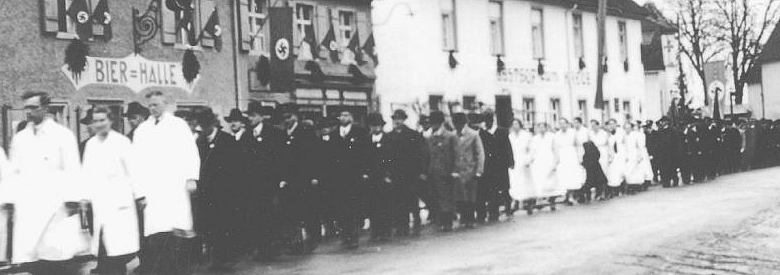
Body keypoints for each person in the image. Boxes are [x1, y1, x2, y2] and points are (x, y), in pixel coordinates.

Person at [2, 91, 86, 275]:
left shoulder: (62, 134)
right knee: (31, 259)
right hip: (28, 206)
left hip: (54, 206)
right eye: (26, 108)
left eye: (33, 107)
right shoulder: (20, 138)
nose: (28, 112)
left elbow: (73, 168)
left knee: (55, 258)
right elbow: (13, 173)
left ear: (46, 108)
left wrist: (72, 199)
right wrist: (10, 200)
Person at [132, 91, 200, 275]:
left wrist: (191, 178)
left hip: (174, 185)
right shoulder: (142, 130)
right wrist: (139, 193)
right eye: (150, 106)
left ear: (165, 103)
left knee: (177, 234)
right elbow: (136, 164)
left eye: (156, 104)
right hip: (152, 190)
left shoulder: (178, 126)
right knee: (157, 236)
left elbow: (190, 152)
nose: (153, 108)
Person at [81, 106, 139, 275]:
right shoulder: (91, 145)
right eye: (95, 121)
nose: (98, 124)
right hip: (98, 203)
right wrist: (84, 198)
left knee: (118, 251)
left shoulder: (122, 142)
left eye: (102, 120)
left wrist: (138, 195)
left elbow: (134, 171)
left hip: (119, 203)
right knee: (103, 248)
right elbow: (86, 172)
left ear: (111, 121)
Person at [194, 108, 241, 271]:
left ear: (212, 124)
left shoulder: (227, 140)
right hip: (206, 193)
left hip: (225, 192)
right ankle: (216, 258)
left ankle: (224, 258)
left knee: (224, 225)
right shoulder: (199, 142)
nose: (203, 129)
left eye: (205, 125)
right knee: (210, 226)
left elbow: (236, 167)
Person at [278, 107, 321, 253]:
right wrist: (283, 177)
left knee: (308, 210)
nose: (286, 119)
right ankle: (296, 243)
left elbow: (314, 154)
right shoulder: (283, 133)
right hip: (290, 180)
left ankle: (312, 240)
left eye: (289, 116)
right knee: (292, 212)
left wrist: (314, 175)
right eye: (284, 117)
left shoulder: (305, 131)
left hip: (305, 178)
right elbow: (282, 158)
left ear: (296, 116)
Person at [326, 110, 370, 248]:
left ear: (351, 117)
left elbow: (365, 153)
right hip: (339, 178)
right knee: (341, 207)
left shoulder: (360, 132)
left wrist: (364, 171)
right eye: (342, 115)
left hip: (354, 176)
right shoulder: (334, 134)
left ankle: (354, 236)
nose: (344, 118)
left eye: (347, 115)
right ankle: (345, 236)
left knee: (354, 207)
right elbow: (330, 156)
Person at [385, 109, 428, 235]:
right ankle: (402, 224)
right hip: (396, 173)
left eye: (399, 119)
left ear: (404, 120)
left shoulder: (413, 135)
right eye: (394, 119)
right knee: (398, 199)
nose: (396, 121)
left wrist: (422, 171)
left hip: (411, 172)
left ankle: (416, 220)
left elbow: (421, 154)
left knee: (412, 198)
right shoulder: (389, 136)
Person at [424, 111, 458, 232]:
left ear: (441, 123)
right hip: (433, 172)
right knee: (435, 197)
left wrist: (455, 170)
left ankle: (447, 222)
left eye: (435, 123)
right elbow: (427, 156)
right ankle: (439, 221)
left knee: (446, 198)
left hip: (446, 172)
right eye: (432, 123)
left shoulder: (450, 136)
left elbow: (456, 155)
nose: (433, 125)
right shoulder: (429, 137)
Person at [476, 112, 513, 221]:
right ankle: (493, 212)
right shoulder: (482, 133)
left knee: (503, 188)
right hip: (488, 166)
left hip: (500, 165)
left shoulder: (501, 131)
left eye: (488, 121)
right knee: (490, 189)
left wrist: (510, 161)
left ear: (492, 121)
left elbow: (508, 147)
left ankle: (507, 207)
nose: (486, 124)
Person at [365, 113, 395, 241]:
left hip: (385, 178)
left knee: (386, 205)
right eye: (373, 126)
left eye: (378, 126)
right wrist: (365, 173)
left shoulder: (389, 140)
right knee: (373, 205)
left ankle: (386, 231)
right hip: (371, 178)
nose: (376, 128)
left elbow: (394, 159)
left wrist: (389, 175)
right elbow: (363, 159)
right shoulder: (366, 140)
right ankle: (375, 231)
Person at [452, 113, 484, 229]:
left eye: (459, 124)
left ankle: (470, 218)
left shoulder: (473, 135)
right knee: (460, 196)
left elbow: (480, 153)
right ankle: (463, 217)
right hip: (458, 171)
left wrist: (479, 170)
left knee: (470, 196)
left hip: (470, 169)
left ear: (464, 123)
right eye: (456, 124)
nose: (458, 127)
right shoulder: (453, 135)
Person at [528, 122, 559, 211]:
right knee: (539, 181)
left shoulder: (551, 137)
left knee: (551, 182)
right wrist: (529, 160)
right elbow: (532, 151)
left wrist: (555, 162)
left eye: (543, 127)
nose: (541, 129)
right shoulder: (534, 138)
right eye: (539, 127)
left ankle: (552, 201)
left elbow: (555, 150)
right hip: (539, 161)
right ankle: (539, 201)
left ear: (546, 128)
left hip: (549, 159)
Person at [554, 118, 585, 205]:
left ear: (567, 124)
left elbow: (578, 145)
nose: (562, 125)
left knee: (572, 176)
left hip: (571, 155)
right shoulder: (556, 134)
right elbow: (556, 147)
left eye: (564, 123)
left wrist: (580, 157)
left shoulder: (573, 133)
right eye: (560, 124)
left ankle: (571, 196)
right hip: (562, 155)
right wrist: (556, 159)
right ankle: (566, 196)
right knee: (564, 176)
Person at [507, 119, 533, 212]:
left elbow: (531, 149)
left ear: (520, 125)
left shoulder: (526, 135)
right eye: (513, 124)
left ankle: (528, 203)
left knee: (526, 182)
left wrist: (529, 160)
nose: (515, 126)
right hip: (514, 160)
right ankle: (516, 201)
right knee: (515, 182)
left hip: (524, 160)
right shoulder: (510, 136)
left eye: (516, 124)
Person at [654, 117, 679, 187]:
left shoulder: (672, 130)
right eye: (661, 122)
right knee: (664, 168)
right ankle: (666, 182)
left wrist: (676, 151)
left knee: (672, 167)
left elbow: (676, 142)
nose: (662, 123)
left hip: (671, 152)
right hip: (662, 153)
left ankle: (675, 180)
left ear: (667, 122)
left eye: (663, 121)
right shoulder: (659, 131)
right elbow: (657, 142)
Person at [588, 120, 610, 199]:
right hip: (594, 154)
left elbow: (607, 144)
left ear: (598, 125)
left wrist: (610, 155)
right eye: (592, 126)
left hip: (603, 153)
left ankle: (605, 192)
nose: (593, 127)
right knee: (596, 173)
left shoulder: (603, 133)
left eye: (594, 125)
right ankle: (598, 192)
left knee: (604, 171)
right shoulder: (590, 134)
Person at [606, 119, 627, 198]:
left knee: (622, 171)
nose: (611, 126)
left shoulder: (621, 132)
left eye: (613, 124)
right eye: (610, 124)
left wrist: (626, 155)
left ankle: (623, 189)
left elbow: (625, 143)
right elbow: (609, 146)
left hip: (621, 153)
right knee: (614, 173)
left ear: (616, 124)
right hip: (614, 155)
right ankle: (616, 190)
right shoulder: (609, 135)